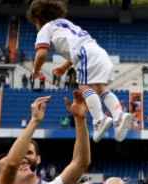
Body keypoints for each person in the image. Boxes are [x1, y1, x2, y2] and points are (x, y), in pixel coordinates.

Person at [28, 0, 133, 142]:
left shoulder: (46, 28)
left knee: (84, 88)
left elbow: (41, 54)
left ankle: (99, 120)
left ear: (37, 18)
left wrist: (35, 70)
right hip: (99, 52)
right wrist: (64, 67)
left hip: (84, 54)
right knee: (101, 89)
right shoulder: (67, 24)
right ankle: (119, 115)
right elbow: (74, 46)